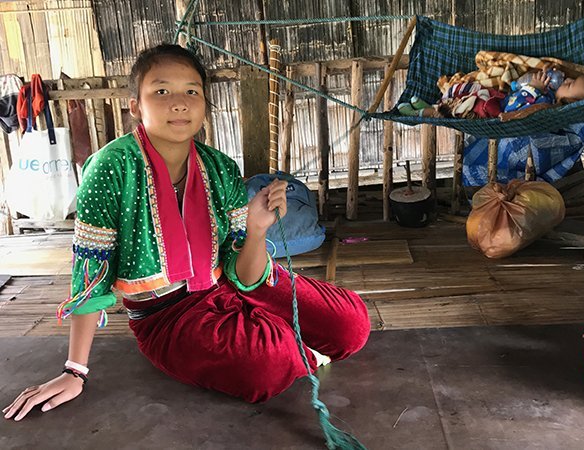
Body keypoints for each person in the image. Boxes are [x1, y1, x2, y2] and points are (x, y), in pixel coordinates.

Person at [3, 44, 370, 421]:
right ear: (136, 106)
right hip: (167, 316)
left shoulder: (220, 169)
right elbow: (89, 275)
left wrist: (258, 230)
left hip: (236, 284)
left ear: (204, 104)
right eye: (161, 91)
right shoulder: (110, 169)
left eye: (191, 91)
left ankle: (288, 340)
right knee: (267, 366)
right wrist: (73, 371)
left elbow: (245, 275)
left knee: (351, 323)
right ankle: (294, 345)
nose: (179, 103)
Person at [398, 71, 584, 119]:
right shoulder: (547, 94)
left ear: (571, 101)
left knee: (463, 107)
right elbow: (514, 89)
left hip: (494, 112)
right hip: (496, 99)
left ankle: (421, 112)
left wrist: (534, 88)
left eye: (570, 84)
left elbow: (514, 109)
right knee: (469, 90)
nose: (565, 79)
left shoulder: (547, 106)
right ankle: (433, 103)